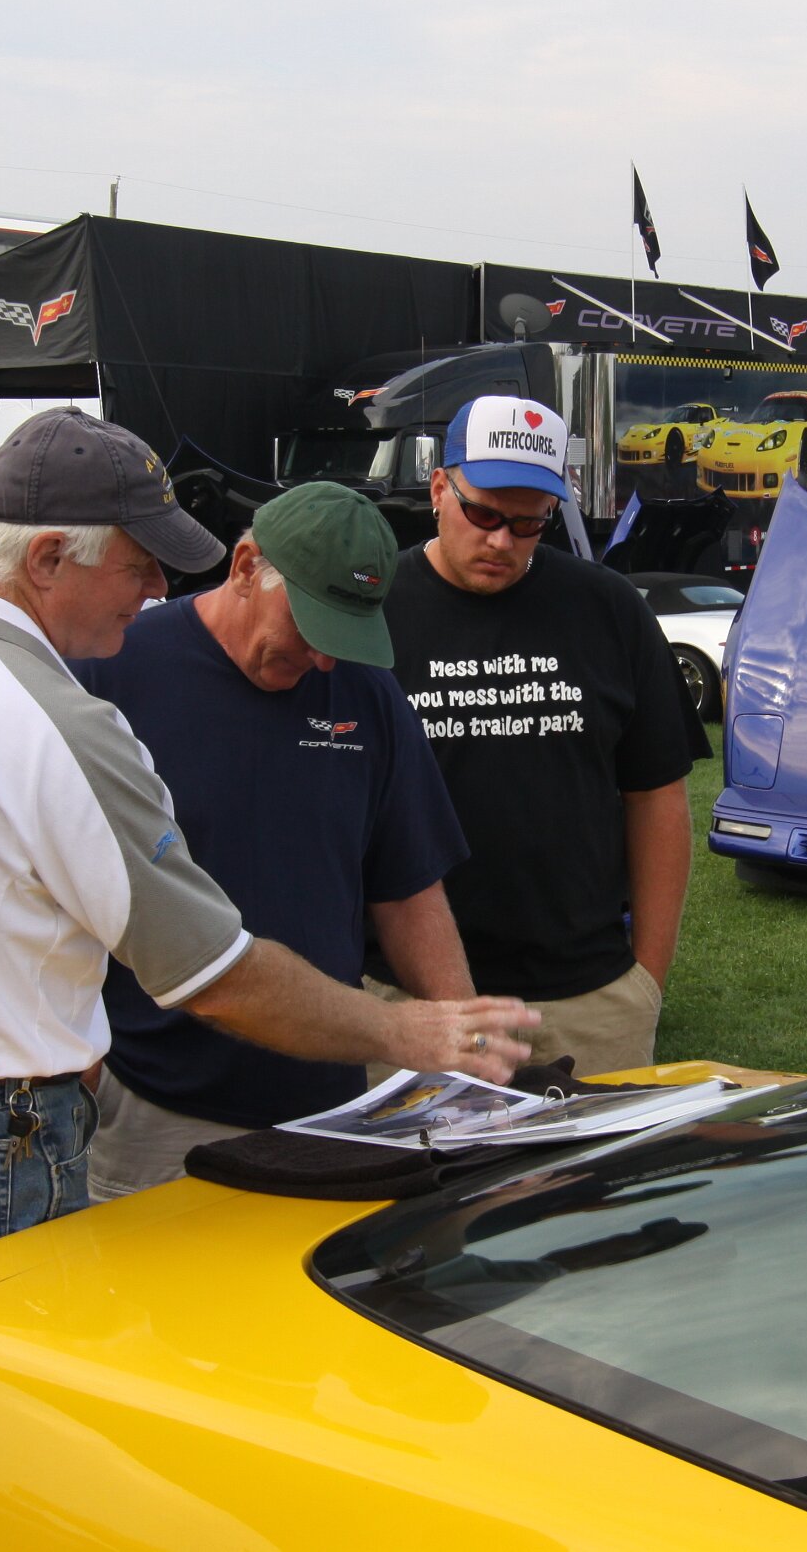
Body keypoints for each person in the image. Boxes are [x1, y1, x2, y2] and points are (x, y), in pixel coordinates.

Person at [0, 408, 536, 1552]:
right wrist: (411, 1034)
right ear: (50, 557)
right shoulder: (61, 720)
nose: (155, 589)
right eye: (138, 563)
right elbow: (216, 974)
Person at [70, 481, 471, 1194]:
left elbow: (408, 888)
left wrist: (465, 1042)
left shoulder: (366, 692)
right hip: (157, 1106)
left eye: (344, 635)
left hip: (329, 1106)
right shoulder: (114, 673)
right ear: (246, 566)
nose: (324, 659)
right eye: (310, 625)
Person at [377, 394, 707, 1073]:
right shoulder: (375, 612)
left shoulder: (609, 608)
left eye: (529, 523)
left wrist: (646, 980)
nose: (502, 541)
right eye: (483, 514)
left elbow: (657, 797)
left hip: (586, 1001)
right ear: (438, 489)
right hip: (409, 1002)